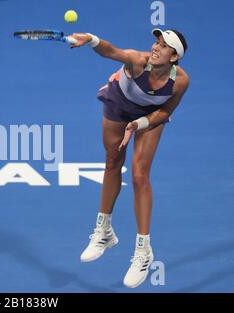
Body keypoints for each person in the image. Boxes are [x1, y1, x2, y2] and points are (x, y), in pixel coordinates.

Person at [69, 29, 189, 288]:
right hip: (118, 104)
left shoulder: (180, 81)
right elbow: (112, 52)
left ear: (174, 56)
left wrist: (140, 123)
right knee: (112, 162)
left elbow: (166, 110)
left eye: (164, 46)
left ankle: (143, 252)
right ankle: (104, 231)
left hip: (149, 116)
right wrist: (92, 40)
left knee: (139, 174)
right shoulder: (137, 61)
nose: (156, 48)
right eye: (156, 42)